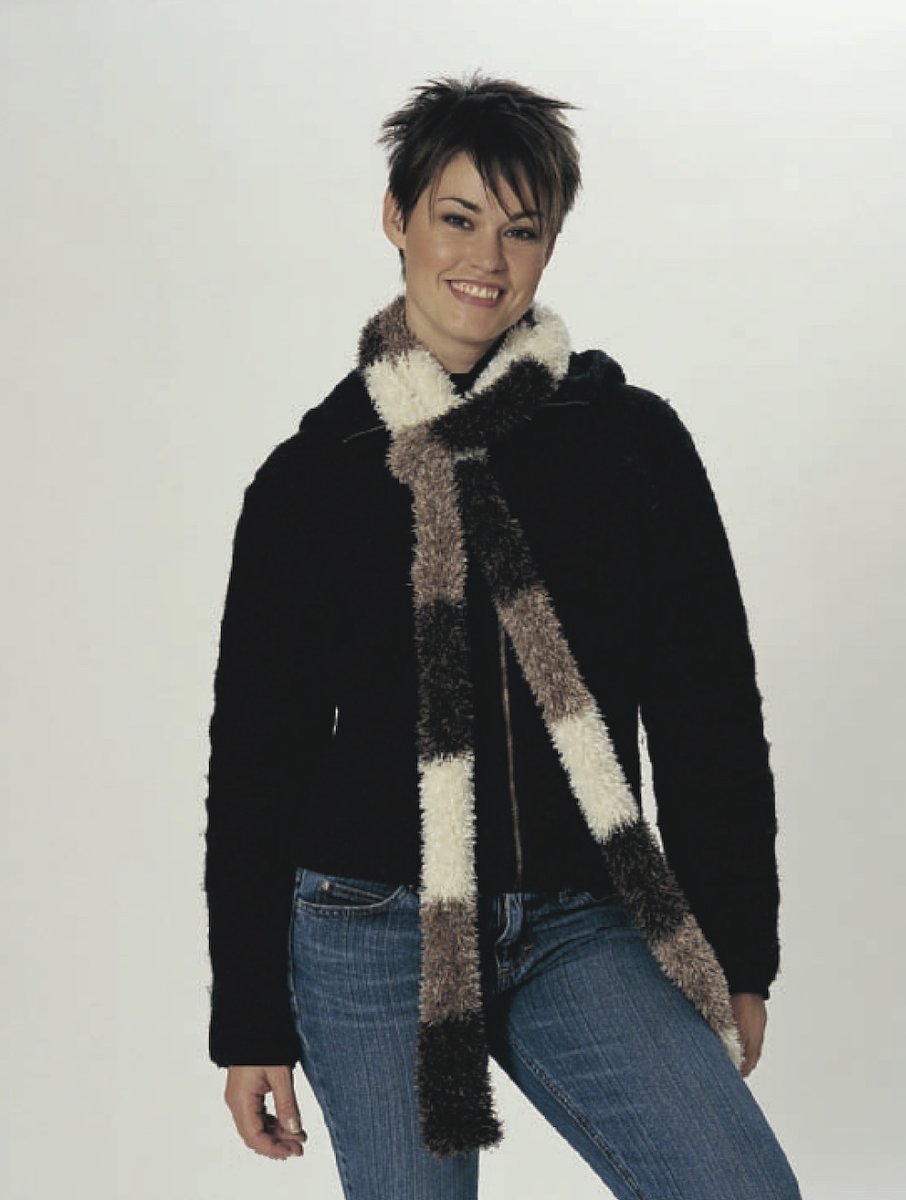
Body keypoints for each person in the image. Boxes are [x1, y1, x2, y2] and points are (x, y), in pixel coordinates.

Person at [204, 74, 802, 1199]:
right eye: (457, 217)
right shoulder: (311, 479)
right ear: (397, 217)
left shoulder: (630, 443)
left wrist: (735, 947)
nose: (486, 258)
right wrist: (248, 1019)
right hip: (367, 926)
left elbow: (708, 713)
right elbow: (255, 763)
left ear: (551, 244)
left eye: (521, 230)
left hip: (582, 915)